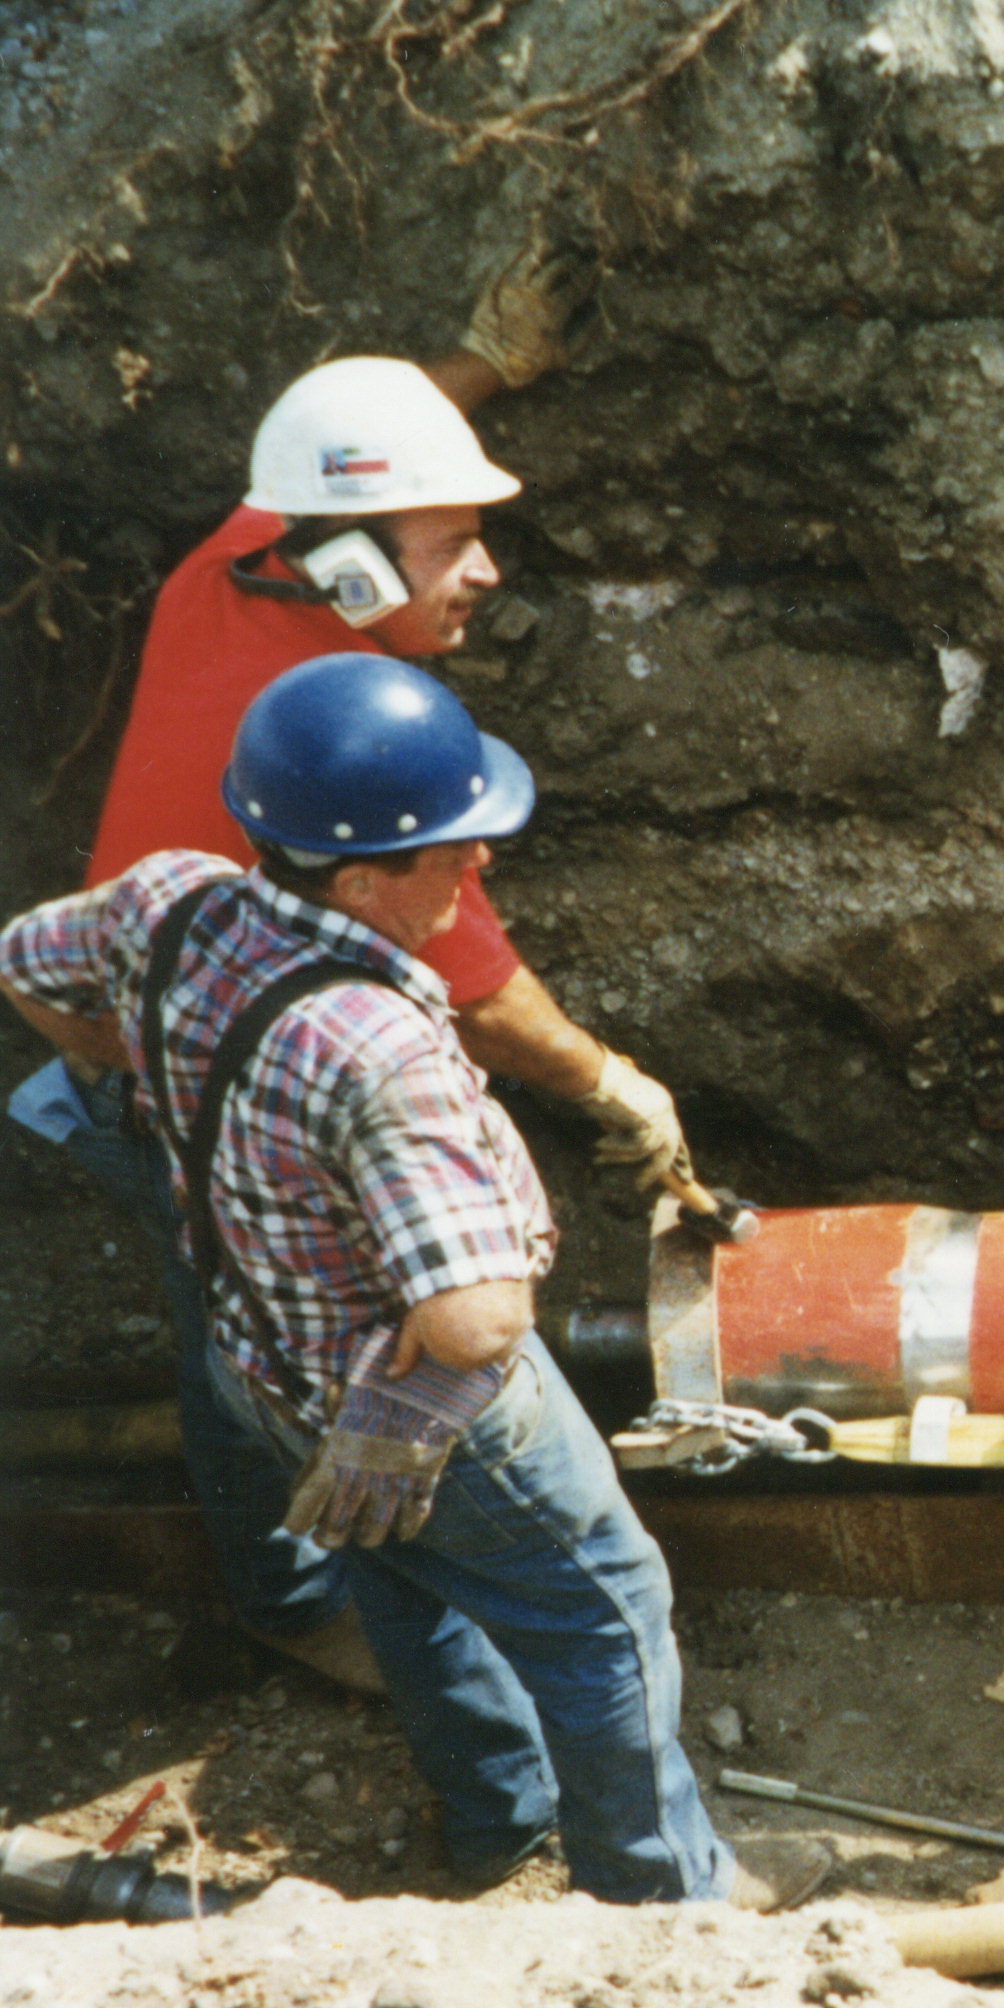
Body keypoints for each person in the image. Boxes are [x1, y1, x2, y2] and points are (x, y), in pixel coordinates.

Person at [0, 654, 813, 1908]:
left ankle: (499, 1824)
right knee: (606, 1608)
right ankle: (667, 1900)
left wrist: (129, 1076)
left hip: (259, 1358)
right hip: (420, 1406)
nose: (479, 866)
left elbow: (24, 961)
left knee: (399, 1572)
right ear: (364, 879)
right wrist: (418, 1389)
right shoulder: (382, 1049)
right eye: (454, 848)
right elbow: (474, 1319)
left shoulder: (172, 900)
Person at [10, 251, 699, 1693]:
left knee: (224, 1308)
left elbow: (332, 471)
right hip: (201, 1079)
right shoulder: (343, 763)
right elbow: (491, 1001)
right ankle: (294, 1588)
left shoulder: (239, 556)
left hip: (152, 1030)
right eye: (457, 543)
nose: (488, 570)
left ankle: (289, 1571)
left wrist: (481, 370)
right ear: (360, 569)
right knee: (256, 1330)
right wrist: (617, 1086)